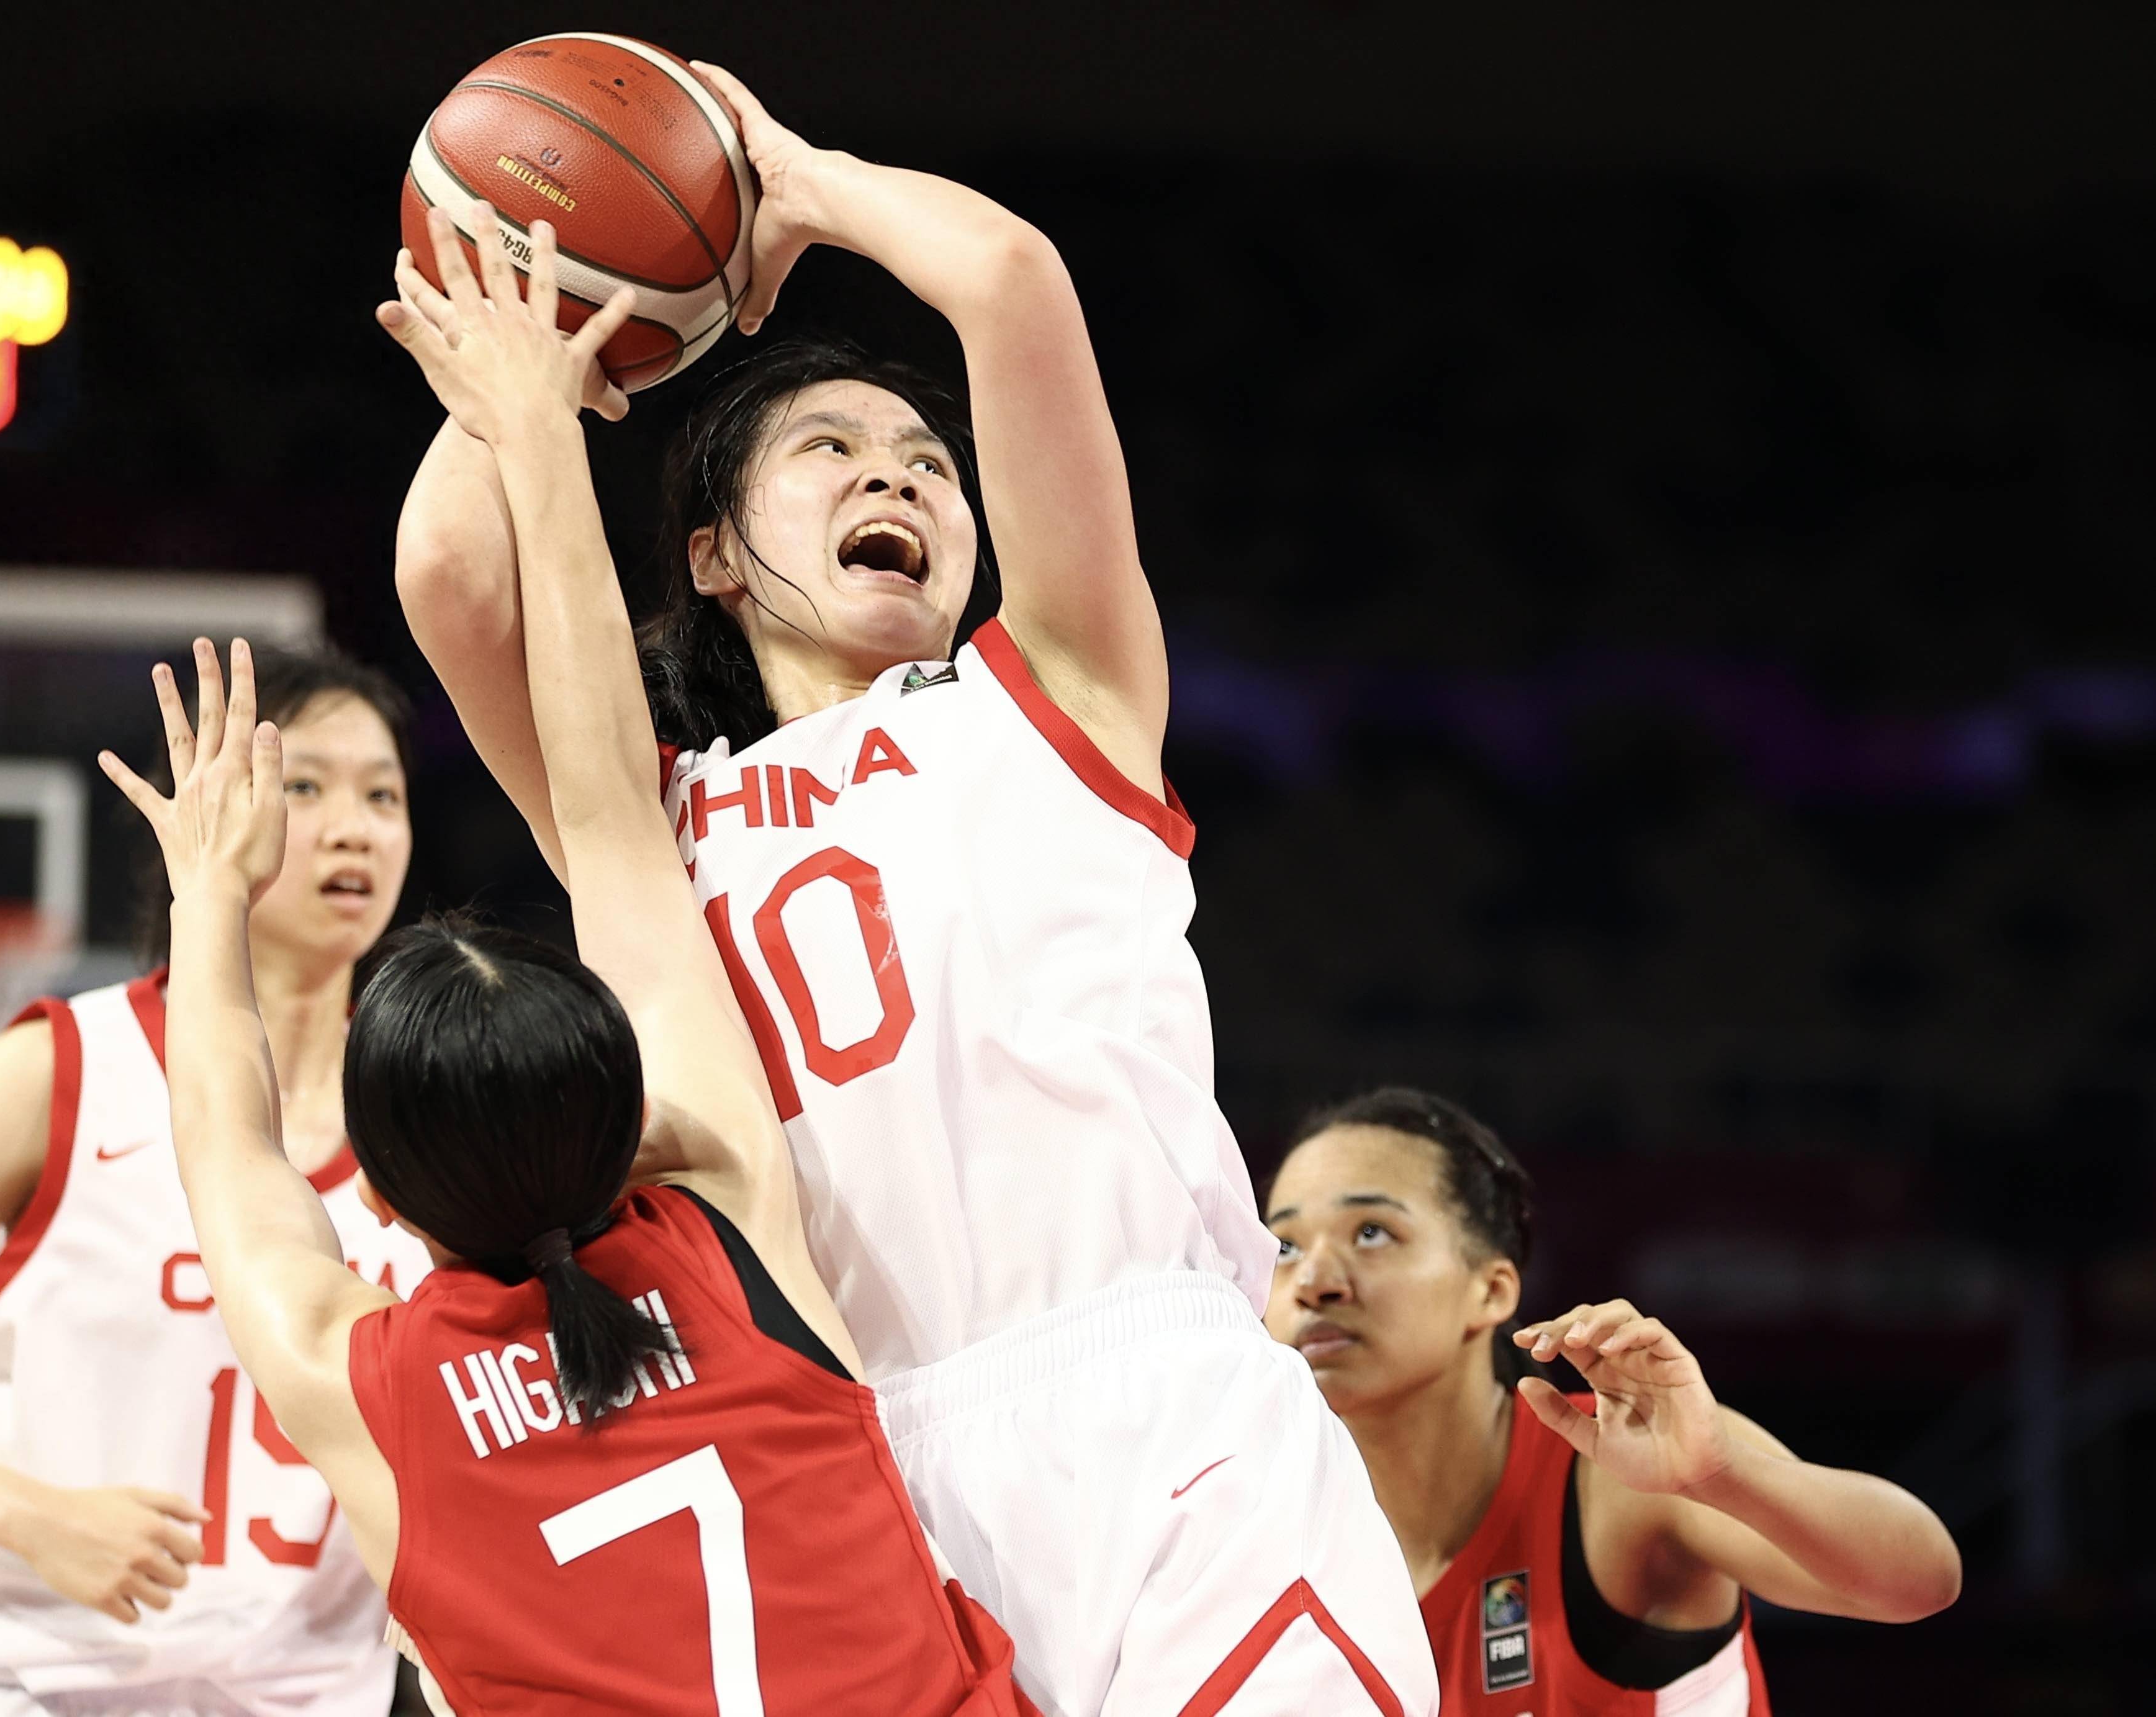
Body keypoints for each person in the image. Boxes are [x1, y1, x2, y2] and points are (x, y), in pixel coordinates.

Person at [389, 64, 1434, 1717]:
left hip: (1165, 1413)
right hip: (866, 1463)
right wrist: (534, 352)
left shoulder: (1060, 694)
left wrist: (796, 184)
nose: (896, 478)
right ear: (713, 555)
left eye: (926, 463)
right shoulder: (653, 814)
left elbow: (1008, 280)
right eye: (827, 449)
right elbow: (453, 578)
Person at [99, 253, 1033, 1709]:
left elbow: (228, 1144)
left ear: (379, 1197)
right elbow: (611, 819)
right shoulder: (725, 1233)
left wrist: (209, 895)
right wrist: (540, 431)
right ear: (626, 1123)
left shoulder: (364, 1382)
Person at [0, 647, 428, 1715]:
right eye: (302, 784)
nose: (352, 828)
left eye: (383, 794)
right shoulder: (55, 1073)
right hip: (37, 1689)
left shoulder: (432, 1119)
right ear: (202, 810)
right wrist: (27, 1515)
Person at [1264, 1087, 1964, 1715]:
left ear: (1492, 1290)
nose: (1314, 1281)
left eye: (1372, 1233)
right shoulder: (1259, 1530)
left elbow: (1922, 1583)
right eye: (1285, 1246)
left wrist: (1719, 1474)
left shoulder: (1618, 1472)